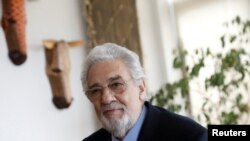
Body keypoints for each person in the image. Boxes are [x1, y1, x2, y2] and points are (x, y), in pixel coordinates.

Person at [81, 43, 208, 141]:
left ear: (141, 88)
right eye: (96, 90)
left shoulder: (190, 136)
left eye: (116, 85)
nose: (106, 99)